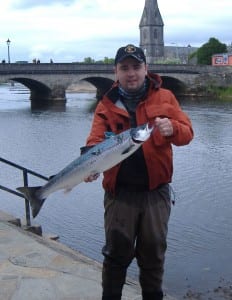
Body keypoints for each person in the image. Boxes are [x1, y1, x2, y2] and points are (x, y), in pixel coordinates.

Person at [83, 44, 194, 300]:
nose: (131, 73)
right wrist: (91, 167)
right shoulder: (106, 105)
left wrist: (173, 129)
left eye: (136, 67)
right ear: (116, 72)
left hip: (156, 195)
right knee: (115, 256)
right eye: (125, 68)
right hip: (119, 194)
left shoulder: (165, 97)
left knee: (153, 255)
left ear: (146, 69)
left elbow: (187, 134)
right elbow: (95, 142)